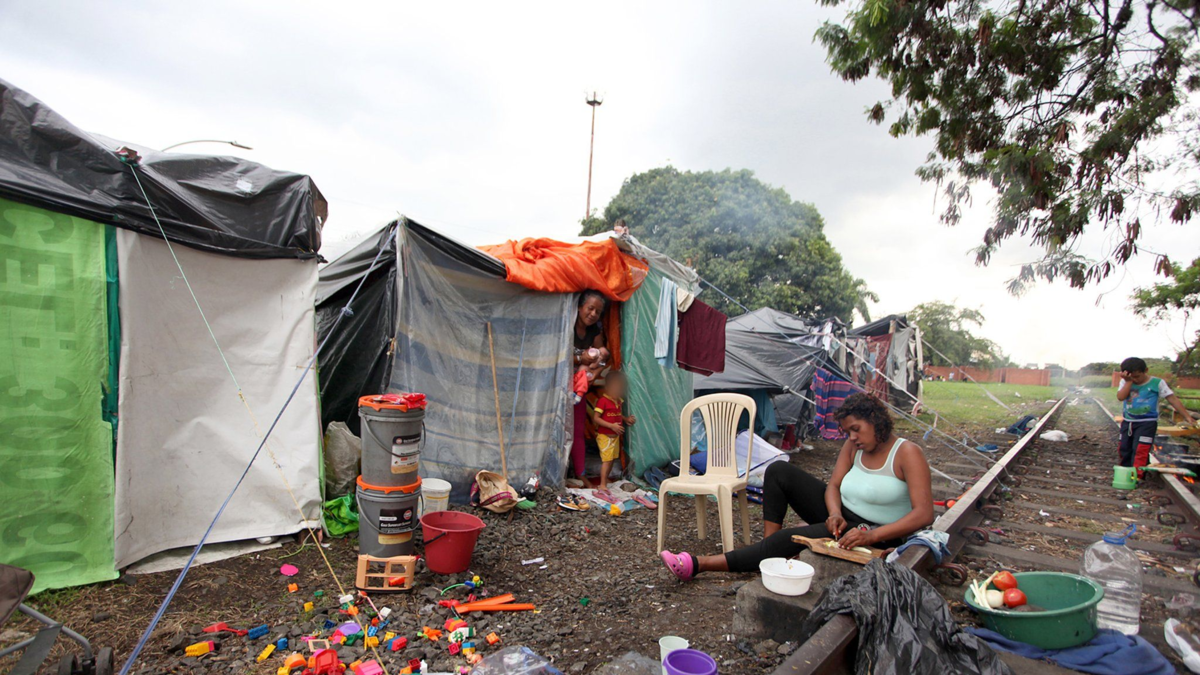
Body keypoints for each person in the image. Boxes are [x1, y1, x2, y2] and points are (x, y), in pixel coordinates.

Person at [659, 392, 934, 580]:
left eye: (856, 429)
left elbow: (924, 514)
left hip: (875, 532)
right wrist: (834, 513)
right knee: (778, 471)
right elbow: (833, 486)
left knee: (789, 538)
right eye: (847, 431)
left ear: (875, 420)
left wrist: (872, 536)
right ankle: (767, 551)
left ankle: (699, 564)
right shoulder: (854, 447)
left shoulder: (907, 453)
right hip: (844, 518)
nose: (852, 437)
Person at [1117, 357, 1195, 472]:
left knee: (1140, 449)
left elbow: (1172, 399)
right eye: (1132, 377)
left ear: (1146, 370)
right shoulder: (1126, 381)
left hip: (1147, 423)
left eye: (1137, 376)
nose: (1135, 380)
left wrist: (1187, 416)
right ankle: (1125, 473)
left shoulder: (1157, 383)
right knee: (1124, 448)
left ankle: (1138, 475)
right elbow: (1120, 397)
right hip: (1128, 422)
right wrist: (1128, 382)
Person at [571, 290, 608, 486]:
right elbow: (555, 353)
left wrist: (595, 372)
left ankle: (580, 473)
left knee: (577, 429)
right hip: (558, 383)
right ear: (579, 307)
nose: (593, 314)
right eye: (590, 308)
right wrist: (580, 358)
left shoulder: (594, 332)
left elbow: (602, 356)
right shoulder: (566, 325)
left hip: (579, 385)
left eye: (598, 312)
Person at [590, 371, 636, 490]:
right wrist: (611, 426)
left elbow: (617, 414)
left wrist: (625, 419)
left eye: (620, 388)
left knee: (610, 461)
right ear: (607, 387)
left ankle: (605, 480)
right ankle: (602, 484)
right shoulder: (603, 401)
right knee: (606, 461)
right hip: (605, 436)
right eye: (615, 388)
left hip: (614, 437)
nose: (617, 391)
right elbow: (596, 418)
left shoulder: (618, 401)